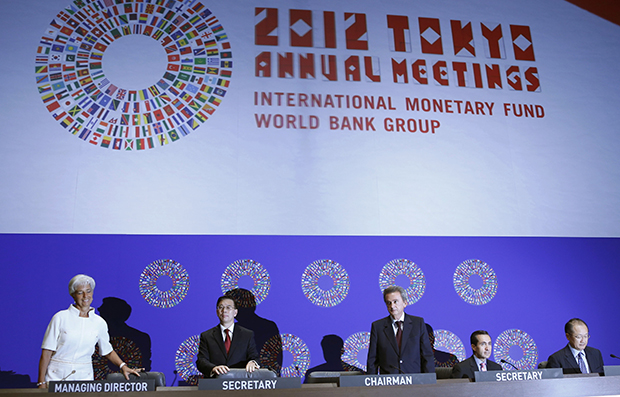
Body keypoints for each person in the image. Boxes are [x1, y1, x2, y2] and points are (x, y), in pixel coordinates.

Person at [37, 275, 142, 388]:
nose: (85, 296)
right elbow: (46, 353)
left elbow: (107, 350)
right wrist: (41, 382)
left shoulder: (99, 322)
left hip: (84, 377)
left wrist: (123, 366)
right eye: (80, 292)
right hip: (57, 376)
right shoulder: (60, 318)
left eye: (88, 291)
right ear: (73, 295)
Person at [366, 285, 434, 374]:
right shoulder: (378, 326)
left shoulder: (418, 323)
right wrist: (372, 385)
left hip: (414, 382)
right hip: (388, 382)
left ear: (405, 303)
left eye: (395, 302)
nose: (392, 306)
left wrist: (428, 383)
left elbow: (427, 356)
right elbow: (372, 360)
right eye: (388, 303)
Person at [196, 296, 260, 377]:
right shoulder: (206, 336)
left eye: (228, 308)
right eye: (221, 307)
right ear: (217, 311)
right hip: (215, 384)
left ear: (235, 312)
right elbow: (201, 361)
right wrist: (213, 368)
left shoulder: (247, 334)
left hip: (240, 382)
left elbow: (254, 357)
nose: (224, 311)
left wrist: (253, 362)